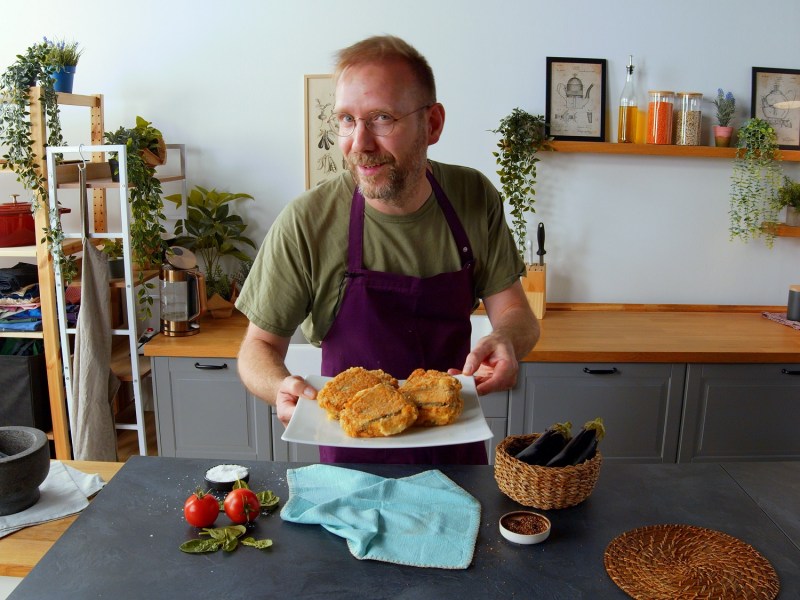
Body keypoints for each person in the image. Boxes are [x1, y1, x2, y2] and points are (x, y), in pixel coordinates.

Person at [235, 34, 539, 465]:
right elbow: (257, 348)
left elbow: (516, 314)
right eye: (345, 119)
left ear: (432, 124)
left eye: (381, 118)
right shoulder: (308, 221)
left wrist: (507, 339)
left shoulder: (473, 196)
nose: (359, 143)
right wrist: (279, 386)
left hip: (454, 452)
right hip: (350, 464)